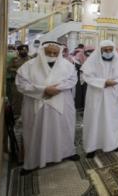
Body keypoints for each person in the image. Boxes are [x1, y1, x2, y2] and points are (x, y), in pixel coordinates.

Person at [15, 41, 79, 174]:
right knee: (36, 132)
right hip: (36, 105)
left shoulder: (67, 65)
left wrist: (57, 89)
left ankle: (66, 152)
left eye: (55, 53)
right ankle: (32, 161)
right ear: (42, 51)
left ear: (60, 53)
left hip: (61, 103)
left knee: (63, 129)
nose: (51, 55)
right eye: (48, 52)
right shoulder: (29, 66)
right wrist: (43, 90)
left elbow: (72, 80)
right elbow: (21, 84)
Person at [81, 40, 118, 158]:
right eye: (105, 50)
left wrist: (114, 81)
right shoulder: (92, 61)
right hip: (96, 94)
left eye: (110, 50)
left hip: (112, 95)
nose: (108, 52)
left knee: (112, 120)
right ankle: (91, 147)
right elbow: (86, 76)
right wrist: (103, 82)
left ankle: (112, 144)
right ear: (100, 50)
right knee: (94, 120)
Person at [7, 44, 31, 117]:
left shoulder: (31, 59)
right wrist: (17, 70)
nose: (23, 51)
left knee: (27, 99)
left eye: (25, 50)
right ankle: (15, 114)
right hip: (16, 82)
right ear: (19, 51)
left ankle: (25, 115)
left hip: (28, 83)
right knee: (16, 99)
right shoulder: (15, 59)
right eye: (22, 50)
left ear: (27, 50)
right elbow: (9, 68)